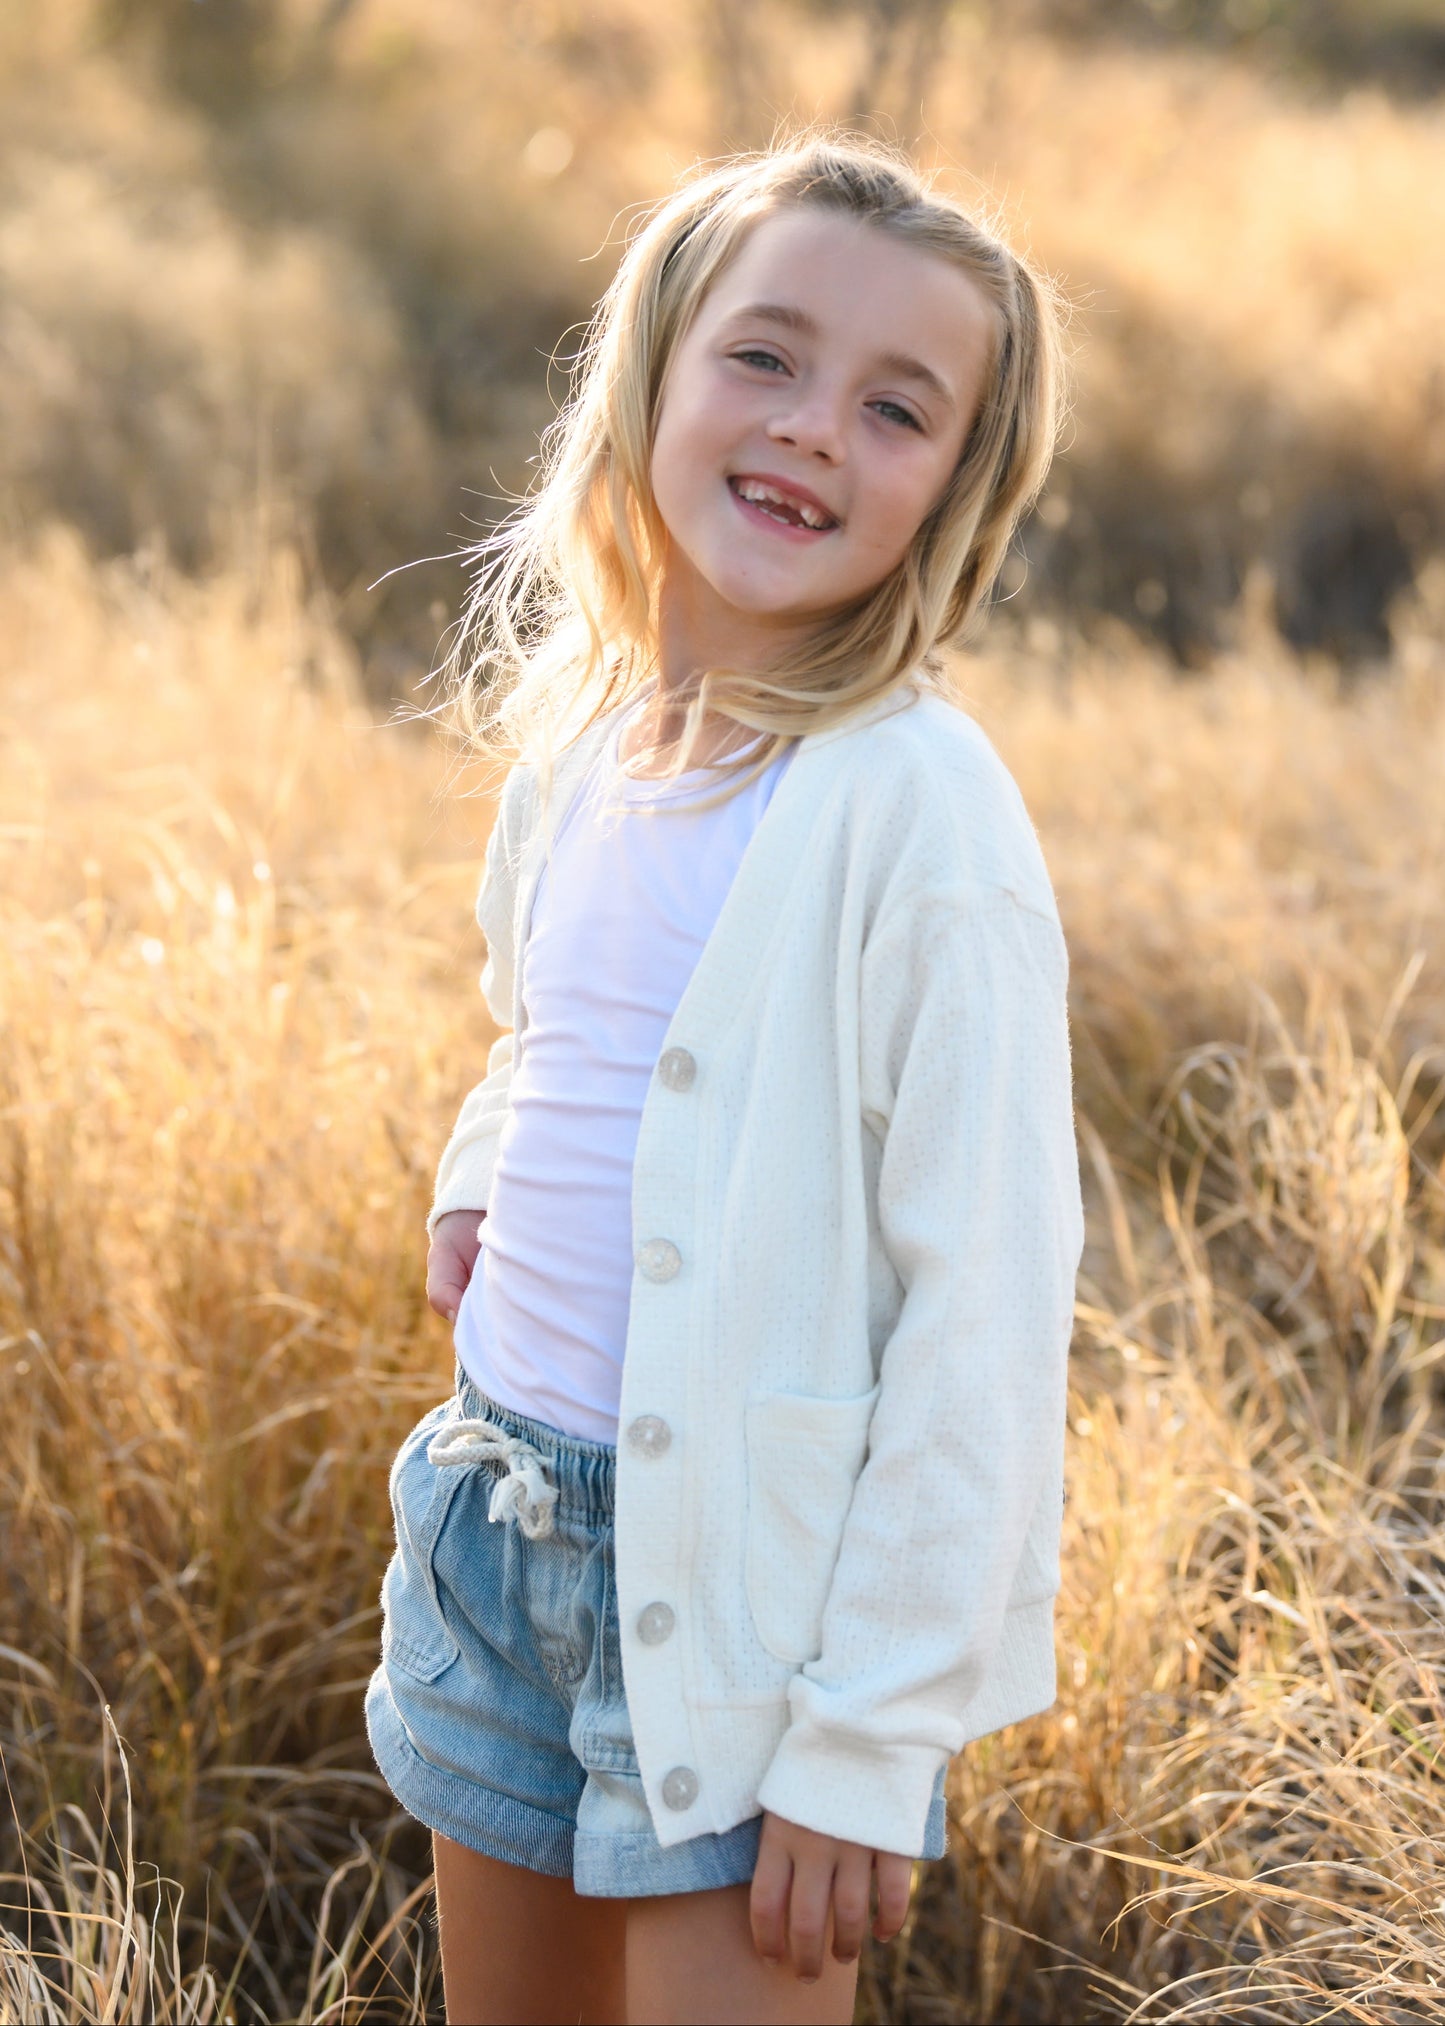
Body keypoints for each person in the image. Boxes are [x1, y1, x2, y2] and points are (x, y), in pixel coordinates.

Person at [365, 131, 1085, 2026]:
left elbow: (987, 1307)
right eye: (763, 356)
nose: (814, 430)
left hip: (750, 1614)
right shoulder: (589, 744)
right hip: (490, 1521)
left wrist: (867, 1734)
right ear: (654, 373)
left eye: (896, 406)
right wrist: (484, 1163)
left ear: (956, 487)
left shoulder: (917, 812)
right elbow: (547, 1024)